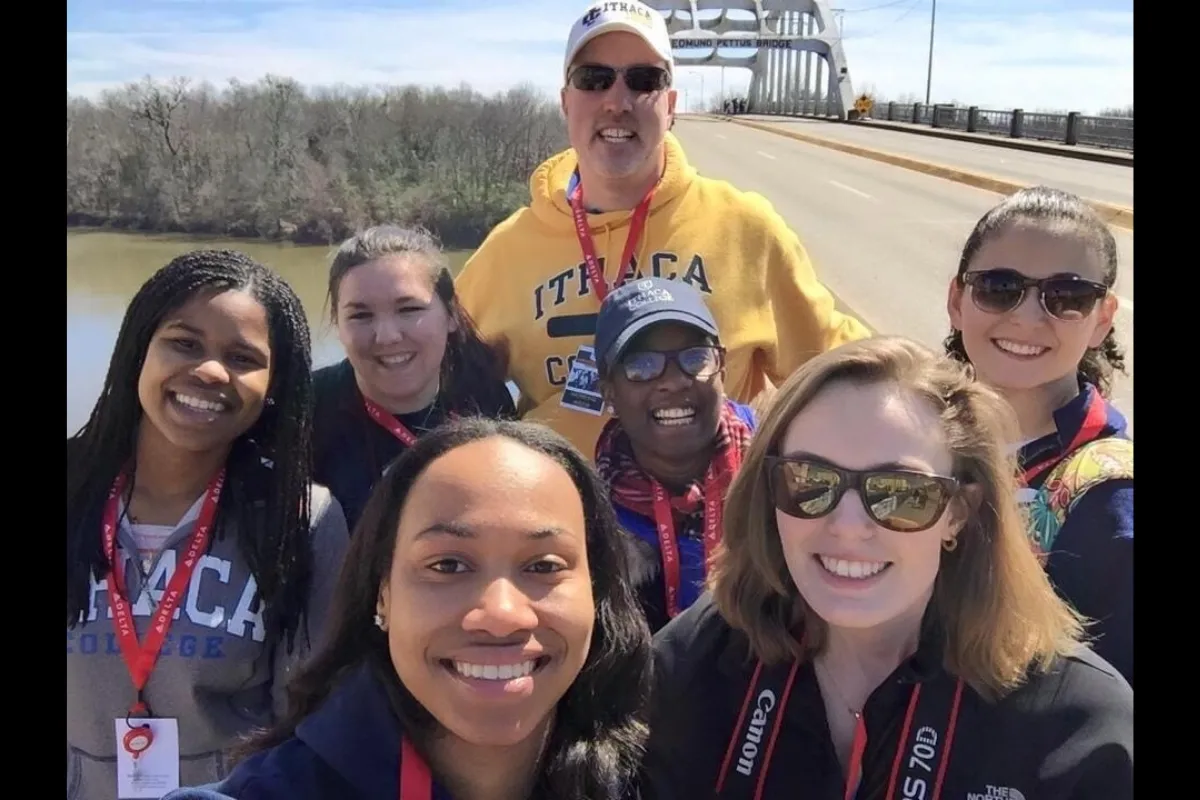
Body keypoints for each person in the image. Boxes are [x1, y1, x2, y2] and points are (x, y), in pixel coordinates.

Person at [639, 336, 1132, 799]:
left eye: (901, 492)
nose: (848, 526)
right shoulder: (696, 664)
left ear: (958, 512)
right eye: (810, 481)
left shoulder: (1077, 725)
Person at [454, 0, 869, 462]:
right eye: (594, 79)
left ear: (670, 106)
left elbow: (845, 369)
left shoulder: (746, 227)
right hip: (566, 521)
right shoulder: (507, 251)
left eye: (643, 80)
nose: (617, 100)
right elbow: (428, 383)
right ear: (566, 101)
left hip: (715, 523)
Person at [161, 417, 653, 800]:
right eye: (448, 565)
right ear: (383, 595)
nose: (502, 613)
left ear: (597, 592)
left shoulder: (679, 774)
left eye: (544, 566)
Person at [66, 250, 351, 800]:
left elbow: (307, 725)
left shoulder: (304, 520)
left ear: (274, 386)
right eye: (185, 342)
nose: (211, 371)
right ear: (138, 351)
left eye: (243, 357)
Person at [945, 186, 1132, 686]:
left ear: (1102, 319)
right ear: (957, 300)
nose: (1027, 318)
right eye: (999, 288)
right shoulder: (909, 437)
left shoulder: (1111, 500)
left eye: (1067, 297)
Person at [313, 225, 516, 533]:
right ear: (337, 324)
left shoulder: (486, 397)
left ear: (450, 315)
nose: (387, 336)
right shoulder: (304, 412)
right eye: (361, 315)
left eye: (408, 309)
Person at [593, 277, 755, 633]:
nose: (674, 381)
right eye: (641, 365)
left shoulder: (781, 472)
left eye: (695, 358)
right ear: (608, 391)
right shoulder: (590, 524)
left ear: (722, 367)